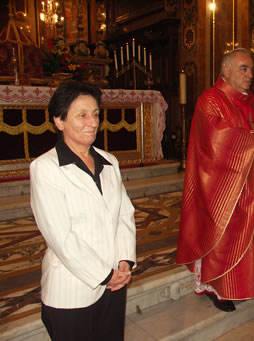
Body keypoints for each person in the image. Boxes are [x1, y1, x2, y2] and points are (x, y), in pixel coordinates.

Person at [30, 82, 136, 340]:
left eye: (96, 114)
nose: (92, 122)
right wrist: (104, 275)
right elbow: (61, 237)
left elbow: (124, 214)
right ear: (59, 121)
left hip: (114, 283)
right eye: (82, 115)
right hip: (72, 289)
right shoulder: (45, 168)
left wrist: (123, 260)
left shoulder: (109, 161)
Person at [176, 48, 254, 312]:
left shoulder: (252, 101)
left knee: (251, 232)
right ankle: (216, 286)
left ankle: (246, 281)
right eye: (244, 68)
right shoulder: (210, 100)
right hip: (222, 185)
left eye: (252, 69)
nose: (250, 74)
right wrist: (253, 139)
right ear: (226, 71)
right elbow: (214, 137)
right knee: (224, 233)